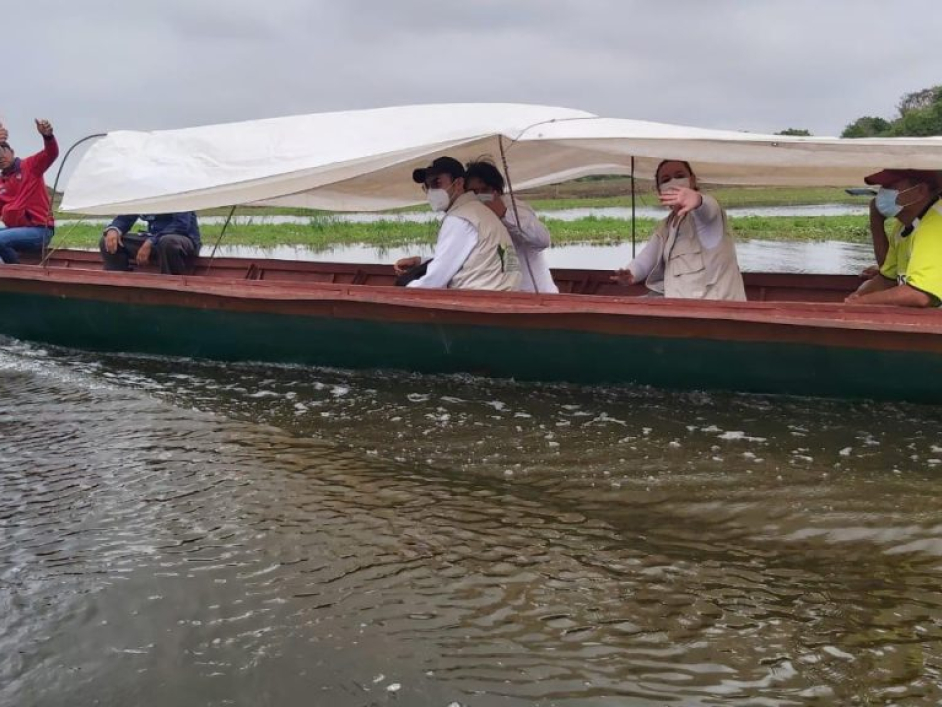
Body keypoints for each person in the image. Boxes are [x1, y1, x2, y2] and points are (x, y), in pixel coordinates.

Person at [612, 160, 746, 301]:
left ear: (692, 180)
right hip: (679, 305)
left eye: (680, 175)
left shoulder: (708, 216)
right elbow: (645, 260)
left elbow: (708, 210)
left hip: (716, 309)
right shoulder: (666, 226)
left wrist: (697, 199)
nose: (674, 181)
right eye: (666, 180)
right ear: (659, 190)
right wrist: (630, 273)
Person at [394, 156, 519, 291]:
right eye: (427, 186)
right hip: (502, 294)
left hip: (481, 300)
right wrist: (420, 262)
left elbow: (434, 280)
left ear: (458, 183)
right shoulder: (477, 210)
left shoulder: (460, 218)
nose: (431, 191)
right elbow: (463, 258)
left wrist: (400, 292)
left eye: (437, 183)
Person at [846, 169, 942, 307]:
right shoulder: (903, 225)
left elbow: (920, 295)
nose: (882, 194)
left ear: (920, 190)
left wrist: (862, 301)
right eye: (882, 188)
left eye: (889, 187)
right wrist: (856, 296)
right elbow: (888, 278)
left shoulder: (936, 224)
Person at [464, 160, 558, 293]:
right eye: (473, 192)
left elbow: (542, 240)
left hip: (535, 294)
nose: (479, 195)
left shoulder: (514, 208)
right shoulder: (472, 214)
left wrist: (504, 214)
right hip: (502, 293)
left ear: (496, 190)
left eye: (485, 190)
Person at [0, 119, 59, 264]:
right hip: (16, 232)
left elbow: (51, 153)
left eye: (3, 152)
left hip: (40, 231)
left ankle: (17, 275)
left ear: (12, 152)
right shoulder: (1, 183)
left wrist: (48, 136)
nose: (1, 157)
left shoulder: (30, 166)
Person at [100, 212, 201, 275]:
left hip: (183, 239)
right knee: (108, 241)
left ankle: (173, 285)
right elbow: (126, 218)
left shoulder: (177, 188)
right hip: (153, 239)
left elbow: (181, 225)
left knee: (167, 242)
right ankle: (119, 285)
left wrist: (151, 241)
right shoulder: (146, 190)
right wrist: (114, 229)